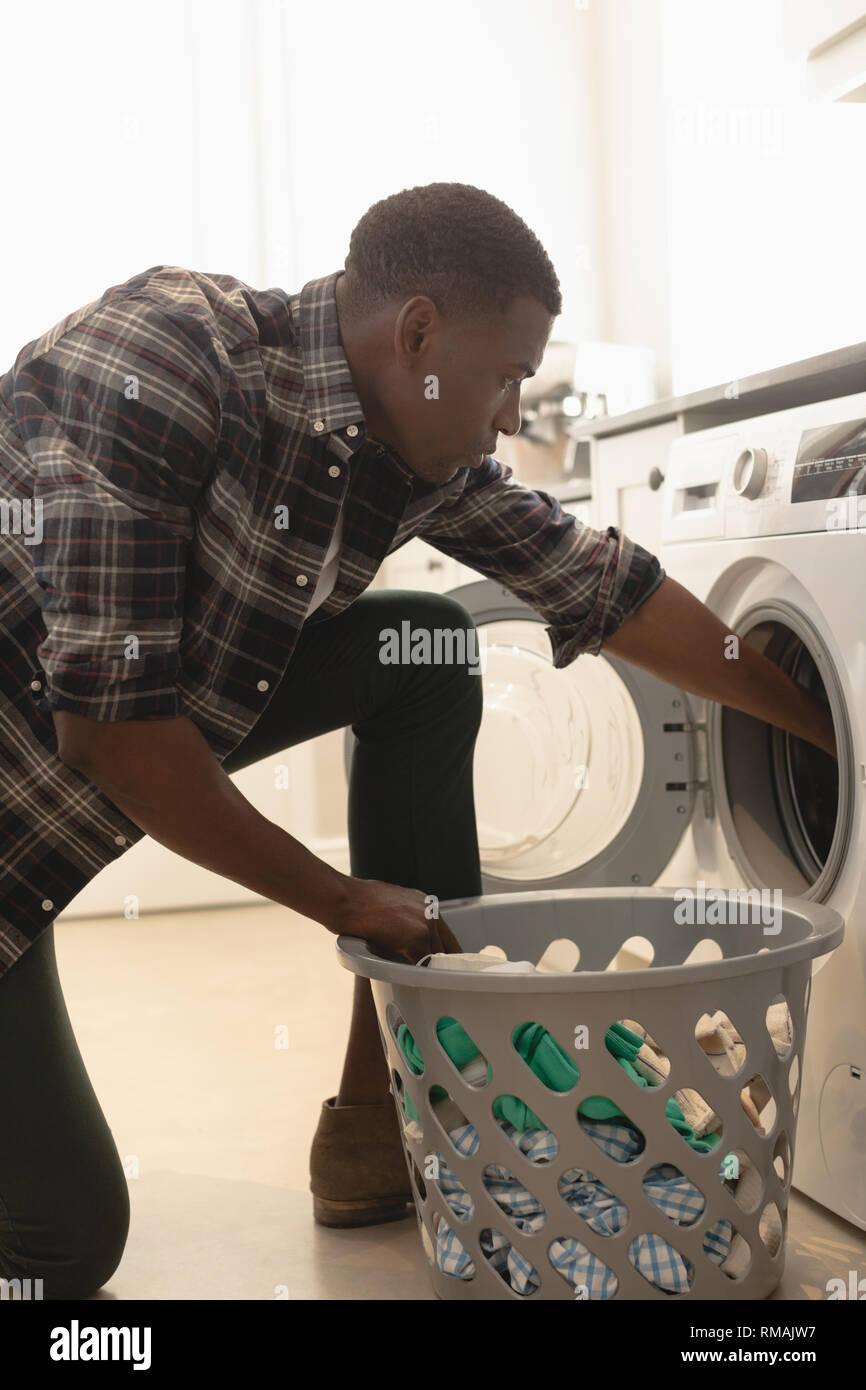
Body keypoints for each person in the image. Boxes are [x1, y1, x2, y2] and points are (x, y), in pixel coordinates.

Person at [0, 183, 835, 1297]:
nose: (507, 416)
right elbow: (115, 734)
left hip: (68, 779)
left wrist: (825, 725)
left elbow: (600, 584)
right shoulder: (156, 366)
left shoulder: (402, 449)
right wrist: (345, 900)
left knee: (424, 653)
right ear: (418, 335)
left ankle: (381, 1114)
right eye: (507, 380)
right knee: (59, 1252)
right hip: (46, 791)